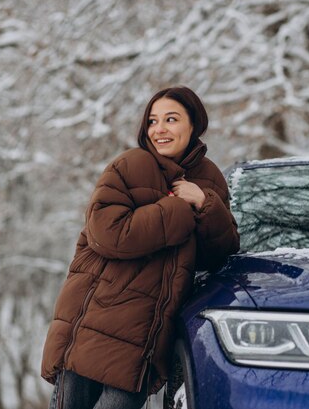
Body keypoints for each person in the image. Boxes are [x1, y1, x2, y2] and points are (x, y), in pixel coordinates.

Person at [41, 86, 240, 409]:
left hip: (147, 334)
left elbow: (221, 255)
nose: (159, 129)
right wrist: (178, 208)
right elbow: (107, 233)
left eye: (171, 119)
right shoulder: (129, 165)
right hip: (94, 318)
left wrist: (204, 203)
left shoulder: (210, 181)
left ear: (194, 125)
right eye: (152, 121)